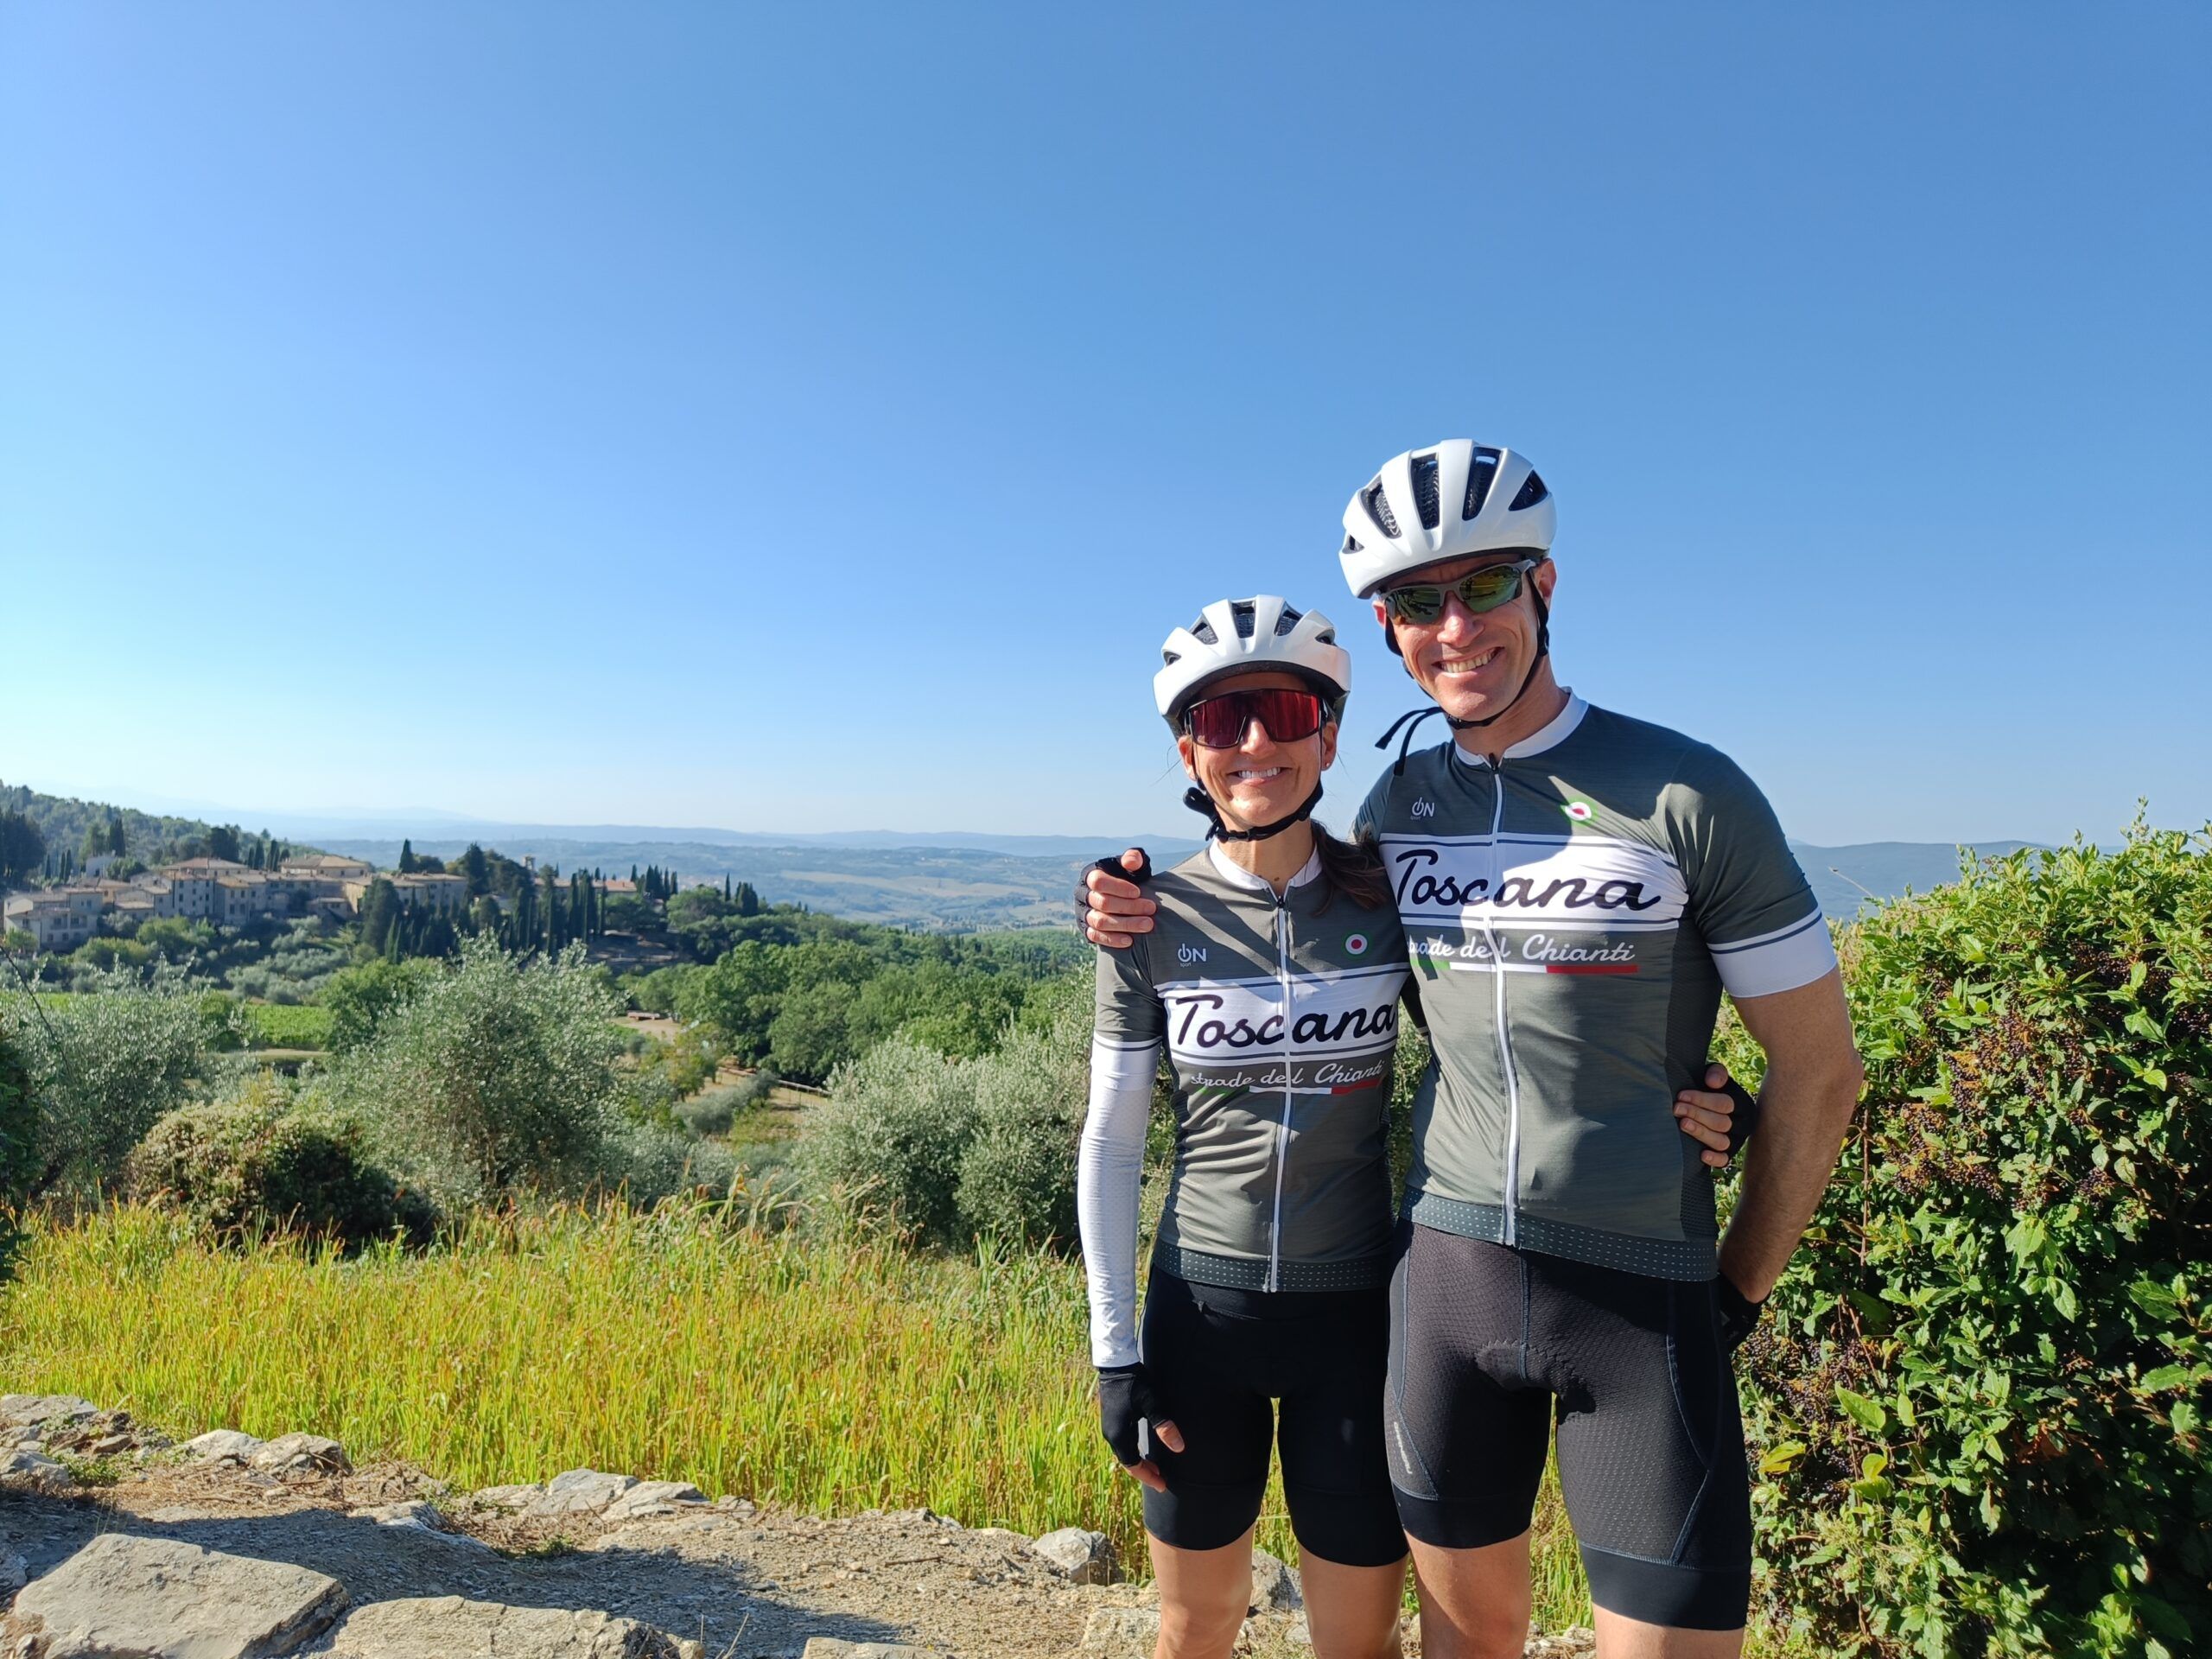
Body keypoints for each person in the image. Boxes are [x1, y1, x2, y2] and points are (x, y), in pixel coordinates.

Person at [1083, 444, 1863, 1659]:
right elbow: (1296, 943)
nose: (1455, 627)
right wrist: (1125, 901)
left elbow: (1820, 1069)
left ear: (1545, 587)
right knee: (1468, 1639)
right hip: (1446, 1278)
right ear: (1387, 630)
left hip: (1641, 1286)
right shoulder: (1399, 813)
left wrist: (1738, 1276)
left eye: (1486, 586)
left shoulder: (1687, 794)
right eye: (1415, 604)